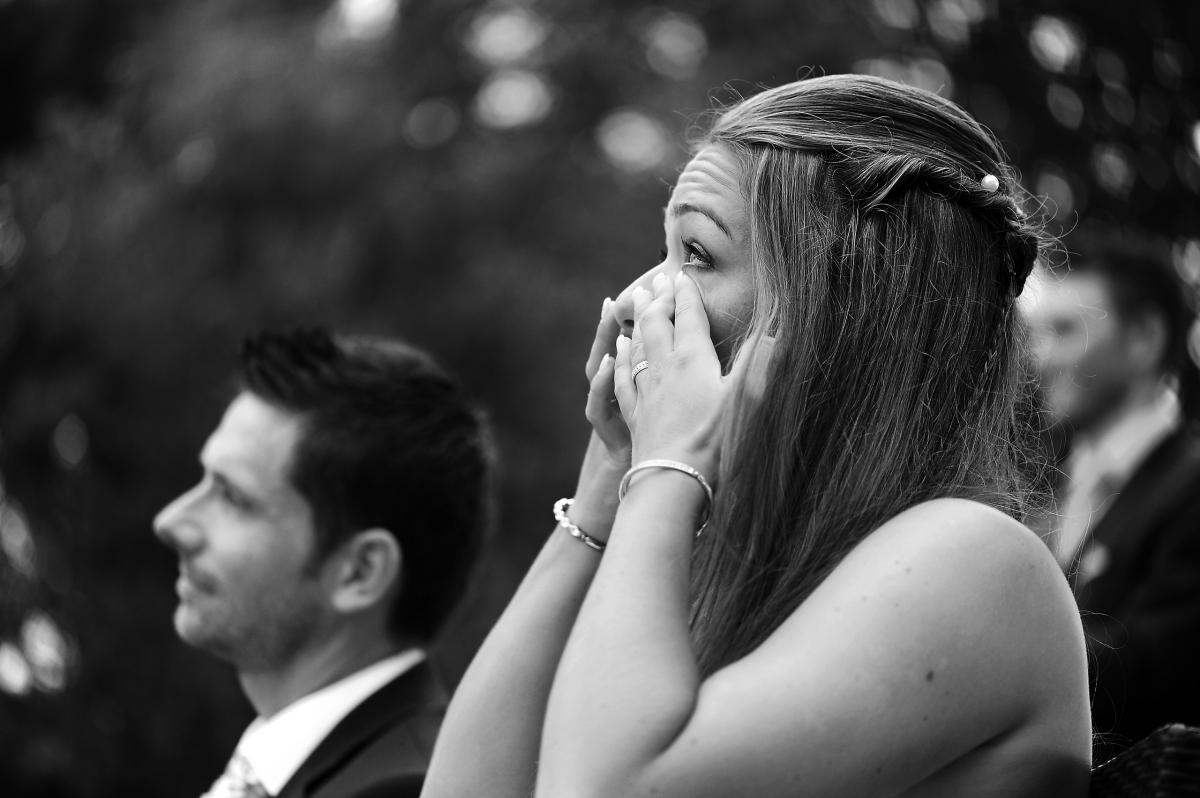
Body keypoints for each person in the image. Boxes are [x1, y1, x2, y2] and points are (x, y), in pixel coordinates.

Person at [422, 74, 1091, 798]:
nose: (640, 298)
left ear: (843, 305)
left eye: (697, 255)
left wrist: (666, 473)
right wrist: (599, 506)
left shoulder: (973, 560)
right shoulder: (708, 551)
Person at [154, 328, 491, 798]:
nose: (171, 521)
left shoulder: (411, 788)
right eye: (205, 480)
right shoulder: (283, 770)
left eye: (232, 497)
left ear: (360, 572)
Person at [1027, 230, 1200, 758]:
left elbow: (1162, 669)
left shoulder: (1191, 488)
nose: (1040, 358)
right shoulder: (1041, 484)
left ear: (1144, 336)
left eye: (1065, 331)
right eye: (1037, 335)